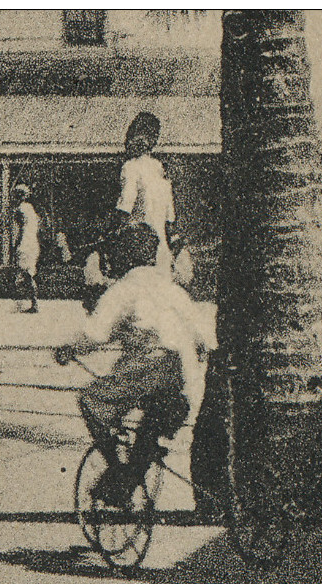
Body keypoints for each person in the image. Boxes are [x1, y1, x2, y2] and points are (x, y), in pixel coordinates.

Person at [56, 246, 217, 507]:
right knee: (150, 429)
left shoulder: (122, 290)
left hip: (145, 368)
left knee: (91, 401)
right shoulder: (173, 289)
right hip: (179, 376)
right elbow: (203, 338)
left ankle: (117, 468)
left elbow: (95, 334)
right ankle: (130, 478)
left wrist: (68, 350)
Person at [102, 112, 178, 279]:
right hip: (161, 251)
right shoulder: (161, 172)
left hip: (137, 247)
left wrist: (108, 231)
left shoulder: (131, 167)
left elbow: (126, 205)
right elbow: (170, 219)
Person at [11, 184, 42, 313]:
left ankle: (33, 303)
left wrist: (15, 244)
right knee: (28, 273)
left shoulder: (20, 210)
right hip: (33, 243)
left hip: (25, 244)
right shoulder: (31, 209)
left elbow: (20, 230)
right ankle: (32, 302)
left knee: (26, 275)